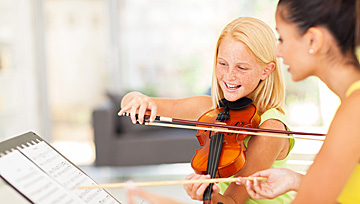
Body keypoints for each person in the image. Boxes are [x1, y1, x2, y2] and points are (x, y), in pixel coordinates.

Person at [119, 17, 294, 204]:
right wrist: (137, 99)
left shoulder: (271, 128)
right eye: (223, 64)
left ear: (266, 71)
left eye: (241, 68)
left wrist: (207, 195)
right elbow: (129, 101)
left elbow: (232, 201)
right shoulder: (212, 110)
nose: (229, 76)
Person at [237, 0, 360, 203]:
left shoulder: (354, 110)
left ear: (312, 40)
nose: (278, 51)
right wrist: (297, 180)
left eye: (282, 38)